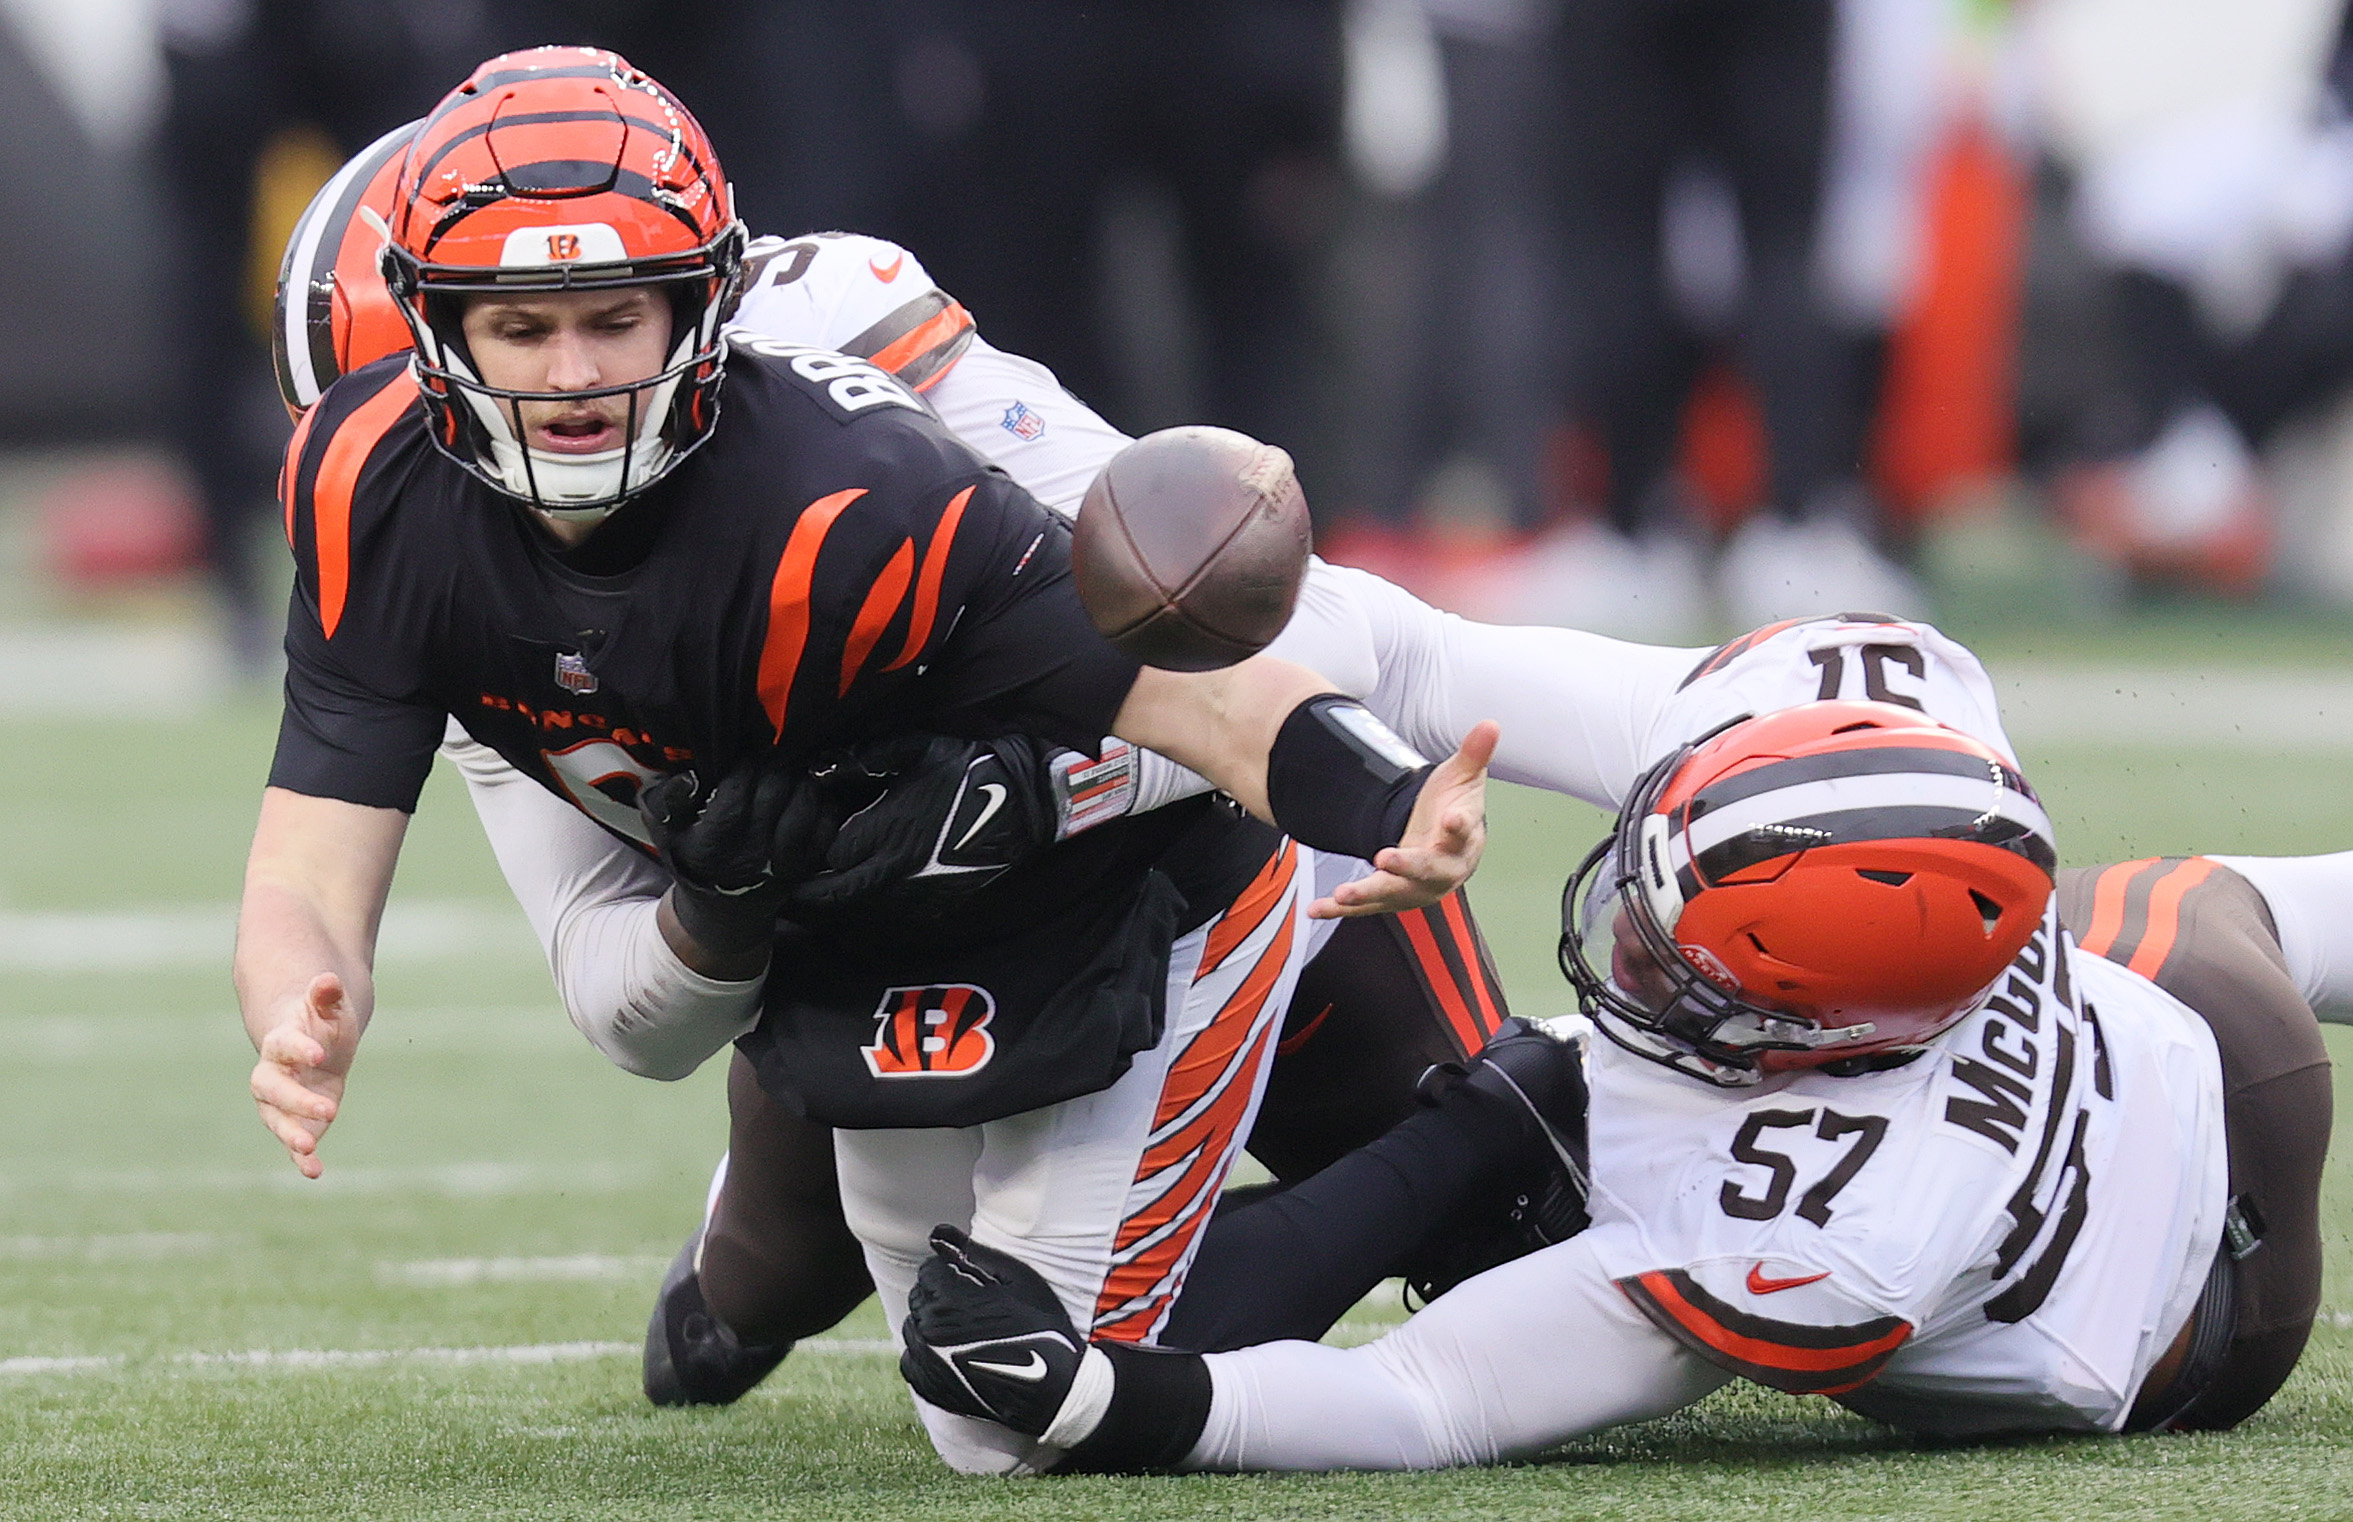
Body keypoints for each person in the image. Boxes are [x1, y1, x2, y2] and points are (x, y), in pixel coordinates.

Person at [273, 125, 1708, 1410]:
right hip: (853, 925)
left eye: (594, 329)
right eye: (514, 344)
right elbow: (626, 1005)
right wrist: (728, 899)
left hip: (1185, 834)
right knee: (765, 1290)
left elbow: (1261, 628)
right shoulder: (407, 555)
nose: (559, 407)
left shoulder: (820, 391)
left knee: (1505, 1224)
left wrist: (1024, 794)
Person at [892, 619, 2331, 1473]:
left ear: (1818, 1028)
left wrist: (1104, 1399)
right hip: (2141, 978)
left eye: (1670, 947)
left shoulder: (1837, 1237)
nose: (1622, 937)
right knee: (2205, 903)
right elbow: (1415, 650)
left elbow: (1429, 1393)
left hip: (2207, 1294)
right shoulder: (1841, 729)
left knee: (1523, 1122)